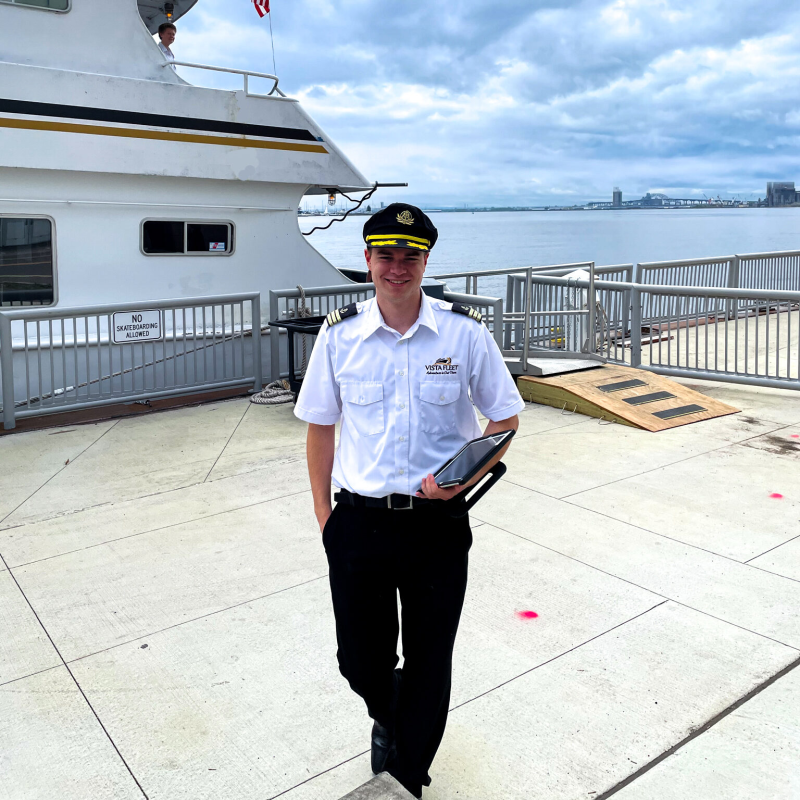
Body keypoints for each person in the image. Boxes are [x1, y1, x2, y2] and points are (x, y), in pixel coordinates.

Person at [294, 203, 524, 798]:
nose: (399, 267)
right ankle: (386, 713)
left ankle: (406, 776)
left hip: (436, 528)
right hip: (359, 523)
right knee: (361, 662)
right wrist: (324, 515)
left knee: (429, 662)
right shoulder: (339, 335)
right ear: (367, 261)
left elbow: (503, 419)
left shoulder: (464, 333)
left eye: (411, 256)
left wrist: (458, 477)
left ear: (425, 261)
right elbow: (321, 426)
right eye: (387, 256)